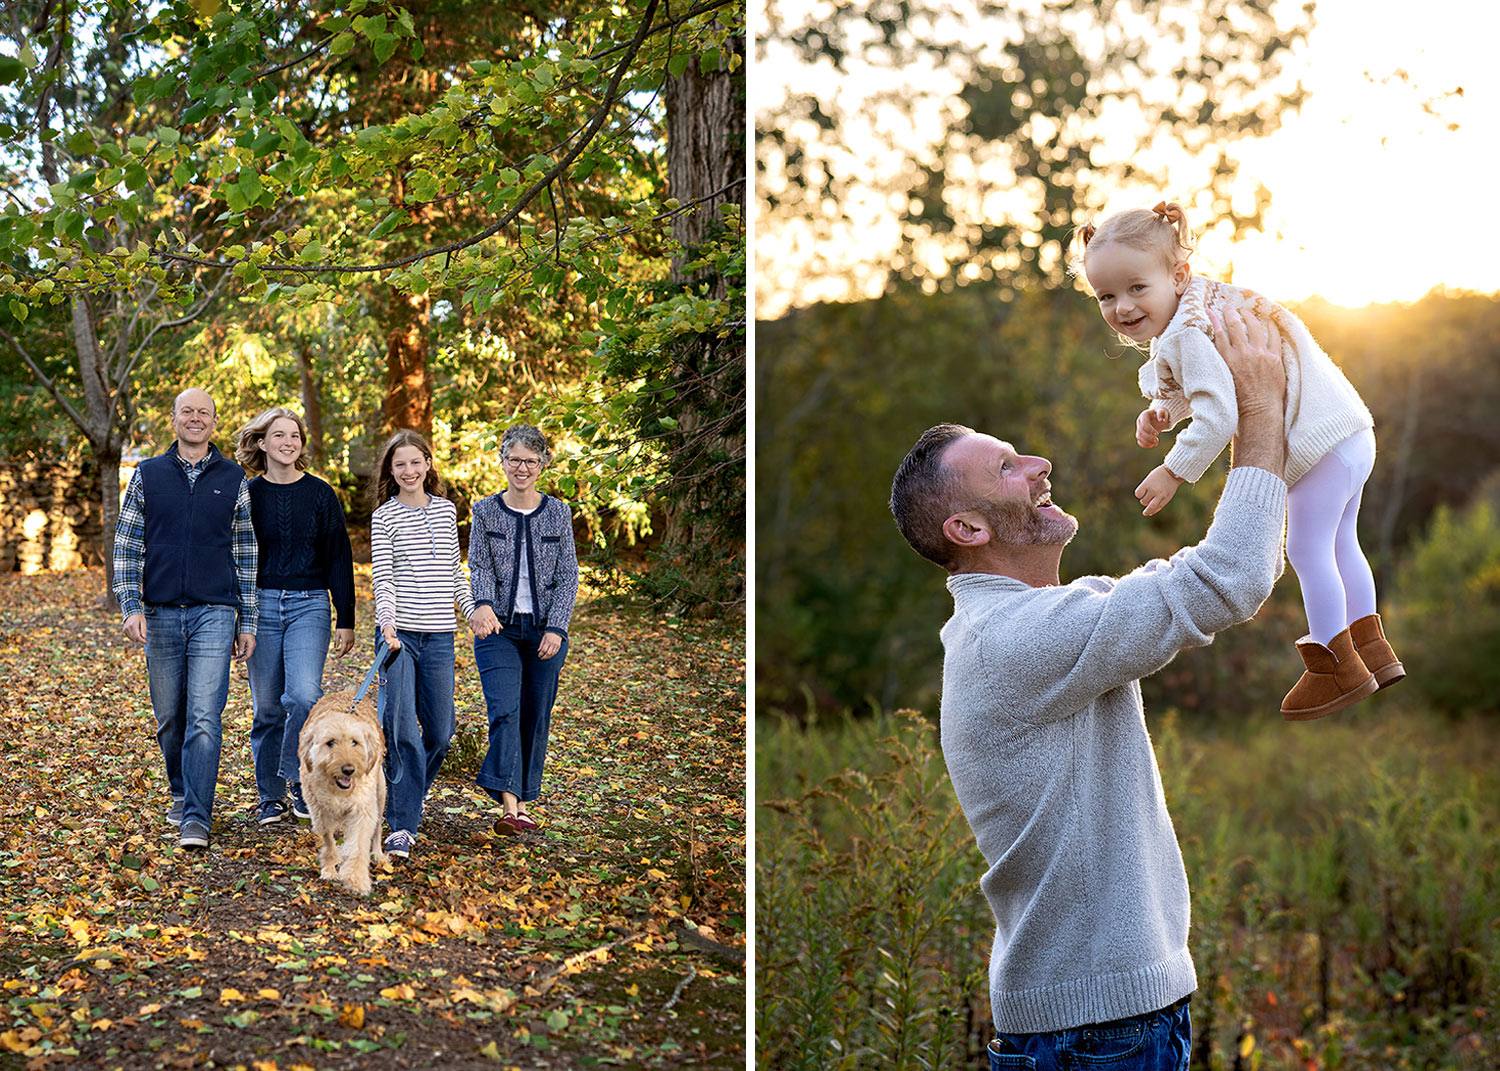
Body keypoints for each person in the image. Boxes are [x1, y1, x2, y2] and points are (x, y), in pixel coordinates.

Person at [888, 311, 1288, 1070]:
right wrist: (1260, 411)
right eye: (1007, 467)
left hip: (1105, 1022)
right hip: (1099, 1032)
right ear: (968, 529)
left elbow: (1223, 571)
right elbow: (1229, 577)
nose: (1040, 463)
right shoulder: (1013, 641)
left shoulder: (1050, 618)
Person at [1074, 200, 1404, 720]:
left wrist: (1173, 470)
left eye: (1137, 288)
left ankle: (1335, 667)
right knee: (1343, 544)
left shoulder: (1186, 331)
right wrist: (1163, 411)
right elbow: (1211, 383)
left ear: (1177, 276)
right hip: (1348, 432)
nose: (1123, 307)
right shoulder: (1202, 303)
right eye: (1107, 296)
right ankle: (1373, 649)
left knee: (1307, 549)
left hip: (1318, 443)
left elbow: (1220, 414)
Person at [113, 387, 257, 851]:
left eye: (204, 413)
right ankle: (180, 790)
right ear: (173, 419)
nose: (195, 419)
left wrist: (247, 621)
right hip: (160, 614)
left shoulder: (233, 478)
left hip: (215, 611)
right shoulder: (147, 474)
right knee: (170, 717)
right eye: (187, 412)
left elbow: (245, 553)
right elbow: (127, 544)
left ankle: (197, 814)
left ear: (214, 422)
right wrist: (131, 606)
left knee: (204, 715)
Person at [234, 407, 356, 828]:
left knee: (304, 696)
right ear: (262, 443)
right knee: (267, 709)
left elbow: (338, 556)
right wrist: (238, 618)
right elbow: (236, 557)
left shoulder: (320, 494)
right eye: (279, 435)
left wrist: (346, 617)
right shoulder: (247, 494)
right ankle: (269, 796)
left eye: (295, 436)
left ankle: (298, 778)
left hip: (310, 604)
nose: (288, 443)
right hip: (261, 606)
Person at [466, 425, 579, 835]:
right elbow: (479, 564)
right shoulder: (485, 510)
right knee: (504, 710)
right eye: (514, 459)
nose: (522, 468)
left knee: (535, 715)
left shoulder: (558, 512)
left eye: (530, 461)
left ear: (542, 465)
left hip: (545, 631)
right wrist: (482, 604)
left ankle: (525, 800)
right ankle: (510, 808)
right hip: (498, 629)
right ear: (502, 461)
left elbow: (568, 576)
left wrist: (557, 627)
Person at [369, 429, 475, 859]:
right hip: (398, 638)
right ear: (391, 471)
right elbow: (383, 578)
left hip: (440, 637)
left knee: (441, 734)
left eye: (416, 462)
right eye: (400, 464)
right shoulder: (384, 516)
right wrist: (387, 624)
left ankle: (405, 798)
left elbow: (454, 573)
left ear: (428, 464)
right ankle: (401, 826)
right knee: (401, 733)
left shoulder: (447, 511)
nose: (409, 470)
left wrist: (473, 611)